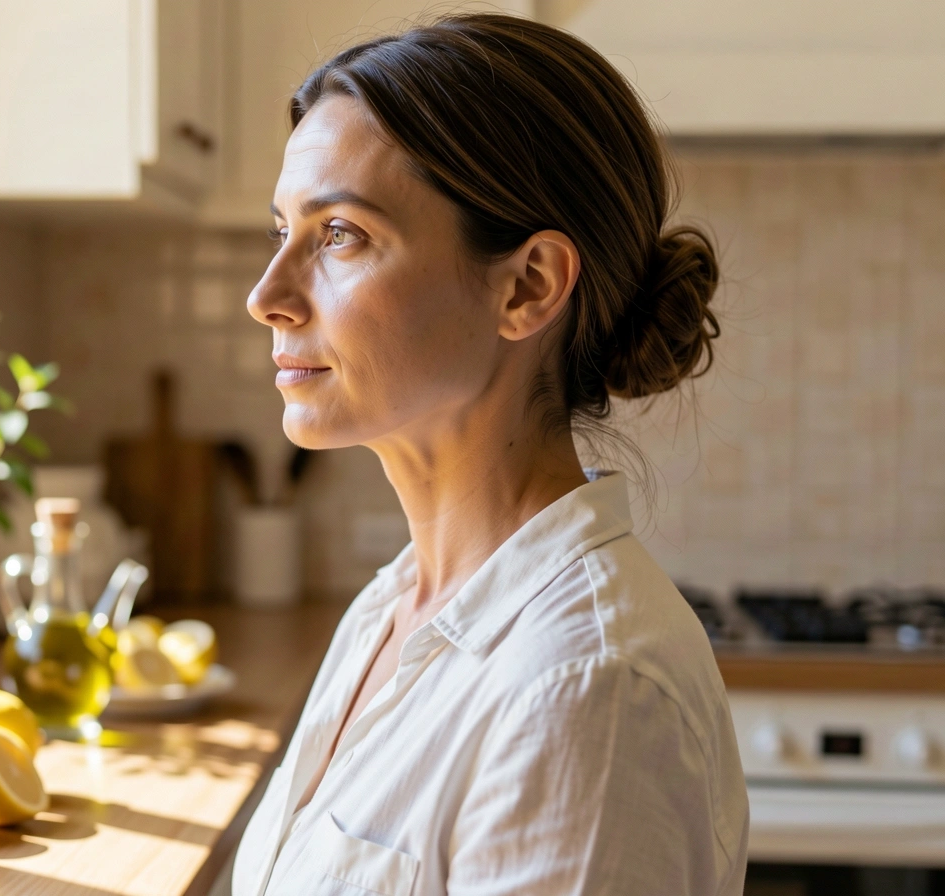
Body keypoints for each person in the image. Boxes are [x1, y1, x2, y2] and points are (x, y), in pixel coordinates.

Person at [235, 13, 749, 896]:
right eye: (280, 230)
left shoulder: (586, 691)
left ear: (528, 286)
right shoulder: (392, 610)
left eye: (340, 235)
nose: (267, 296)